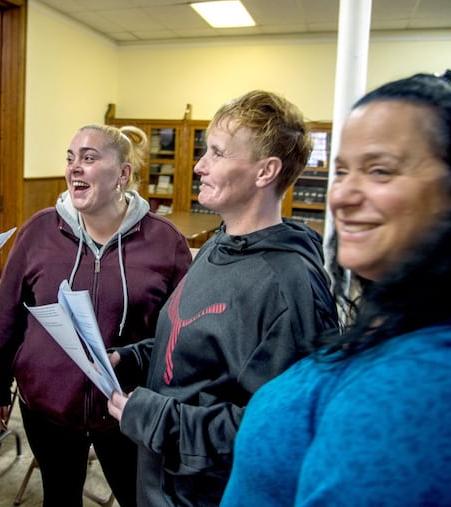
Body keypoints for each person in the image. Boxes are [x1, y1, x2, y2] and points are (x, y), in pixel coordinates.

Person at [220, 71, 451, 506]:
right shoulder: (402, 325)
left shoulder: (428, 390)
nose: (342, 196)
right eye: (341, 171)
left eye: (380, 171)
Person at [106, 90, 339, 506]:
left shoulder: (290, 288)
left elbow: (277, 431)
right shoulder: (220, 244)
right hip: (161, 481)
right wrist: (133, 358)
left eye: (217, 153)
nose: (199, 166)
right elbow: (195, 341)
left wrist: (157, 419)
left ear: (265, 171)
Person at [0, 123, 192, 506]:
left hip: (128, 407)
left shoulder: (165, 241)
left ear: (123, 174)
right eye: (70, 158)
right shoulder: (40, 231)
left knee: (139, 497)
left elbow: (180, 333)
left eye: (89, 158)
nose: (75, 167)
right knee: (59, 496)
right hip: (48, 406)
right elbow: (7, 314)